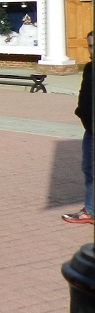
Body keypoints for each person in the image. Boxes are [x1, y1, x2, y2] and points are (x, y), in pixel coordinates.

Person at [64, 31, 94, 224]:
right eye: (90, 46)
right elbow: (84, 96)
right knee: (89, 169)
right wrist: (81, 113)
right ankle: (90, 210)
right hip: (91, 130)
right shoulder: (89, 68)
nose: (92, 50)